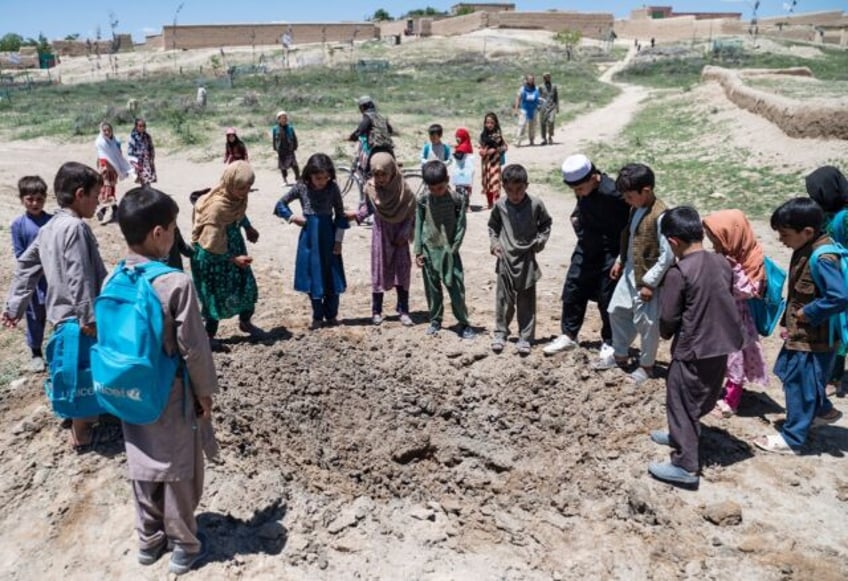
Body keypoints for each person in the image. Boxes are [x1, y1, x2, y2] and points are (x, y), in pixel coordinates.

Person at [111, 187, 218, 575]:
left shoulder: (114, 277)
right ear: (159, 233)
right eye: (173, 228)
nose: (174, 235)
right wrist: (205, 393)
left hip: (128, 391)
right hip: (170, 392)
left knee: (141, 462)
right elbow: (194, 348)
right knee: (178, 469)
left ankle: (148, 541)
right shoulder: (175, 283)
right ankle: (184, 546)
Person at [3, 162, 107, 450]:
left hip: (62, 318)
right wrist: (88, 316)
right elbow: (78, 275)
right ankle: (83, 433)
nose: (99, 200)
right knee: (85, 374)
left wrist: (14, 306)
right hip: (78, 319)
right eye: (96, 194)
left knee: (72, 368)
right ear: (80, 193)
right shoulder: (74, 227)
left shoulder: (49, 228)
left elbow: (26, 267)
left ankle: (77, 417)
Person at [648, 207, 744, 487]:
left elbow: (669, 316)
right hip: (722, 341)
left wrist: (666, 333)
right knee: (704, 391)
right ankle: (681, 433)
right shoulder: (722, 263)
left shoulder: (679, 272)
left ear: (673, 241)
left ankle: (686, 465)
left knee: (680, 398)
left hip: (693, 346)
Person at [753, 198, 847, 454]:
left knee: (799, 383)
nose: (782, 240)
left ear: (806, 232)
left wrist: (809, 312)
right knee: (793, 373)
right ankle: (822, 410)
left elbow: (838, 297)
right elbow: (798, 291)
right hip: (802, 333)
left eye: (785, 234)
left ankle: (792, 439)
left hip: (814, 337)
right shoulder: (808, 246)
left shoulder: (823, 257)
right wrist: (787, 321)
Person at [595, 163, 674, 385]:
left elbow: (667, 257)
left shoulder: (661, 216)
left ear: (646, 191)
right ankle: (620, 354)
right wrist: (621, 260)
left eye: (630, 196)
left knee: (647, 323)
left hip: (648, 279)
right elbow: (631, 237)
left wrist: (650, 283)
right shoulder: (635, 208)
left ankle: (647, 366)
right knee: (617, 310)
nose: (627, 200)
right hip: (630, 271)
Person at [544, 155, 630, 357]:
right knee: (573, 286)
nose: (578, 194)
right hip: (587, 245)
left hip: (611, 249)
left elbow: (631, 220)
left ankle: (611, 341)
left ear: (594, 178)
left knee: (607, 295)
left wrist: (622, 256)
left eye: (580, 189)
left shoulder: (614, 193)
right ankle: (569, 335)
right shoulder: (583, 190)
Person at [702, 210, 769, 417]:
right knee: (721, 357)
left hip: (736, 321)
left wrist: (734, 269)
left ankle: (731, 401)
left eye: (717, 240)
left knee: (735, 359)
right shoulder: (727, 255)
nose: (714, 245)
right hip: (721, 317)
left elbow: (750, 290)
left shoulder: (751, 259)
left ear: (732, 236)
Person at [274, 153, 350, 329]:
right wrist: (293, 217)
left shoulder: (333, 188)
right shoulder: (301, 187)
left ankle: (331, 315)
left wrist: (338, 241)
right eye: (318, 178)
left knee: (332, 275)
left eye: (325, 177)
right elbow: (280, 204)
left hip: (329, 237)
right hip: (309, 240)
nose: (322, 181)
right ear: (309, 175)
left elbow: (340, 215)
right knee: (312, 276)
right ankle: (317, 315)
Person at [190, 161, 262, 346]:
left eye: (249, 187)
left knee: (247, 288)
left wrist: (248, 227)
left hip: (235, 252)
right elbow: (208, 248)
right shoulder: (216, 208)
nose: (245, 191)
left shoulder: (235, 199)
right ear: (230, 183)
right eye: (241, 187)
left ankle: (245, 323)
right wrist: (232, 259)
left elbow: (238, 213)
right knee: (213, 299)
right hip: (213, 259)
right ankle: (208, 338)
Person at [488, 164, 553, 355]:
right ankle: (500, 333)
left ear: (527, 185)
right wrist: (494, 244)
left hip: (526, 260)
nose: (514, 195)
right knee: (503, 299)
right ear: (503, 188)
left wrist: (539, 242)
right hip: (505, 259)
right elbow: (493, 226)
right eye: (509, 190)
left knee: (526, 301)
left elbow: (546, 224)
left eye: (519, 190)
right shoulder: (500, 206)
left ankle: (525, 337)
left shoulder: (535, 204)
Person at [415, 160, 475, 339]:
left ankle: (463, 323)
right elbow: (418, 224)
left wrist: (454, 247)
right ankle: (435, 320)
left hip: (450, 252)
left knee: (456, 288)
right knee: (432, 289)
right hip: (429, 250)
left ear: (448, 180)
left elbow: (461, 226)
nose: (436, 192)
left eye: (440, 188)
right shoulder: (423, 200)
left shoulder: (457, 199)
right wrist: (418, 250)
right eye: (432, 188)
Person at [354, 152, 416, 326]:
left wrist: (405, 233)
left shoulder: (404, 190)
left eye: (384, 174)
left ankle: (403, 310)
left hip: (400, 236)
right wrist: (355, 216)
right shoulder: (371, 188)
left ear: (392, 172)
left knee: (402, 272)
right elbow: (368, 208)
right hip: (381, 234)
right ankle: (376, 310)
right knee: (379, 271)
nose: (380, 179)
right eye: (376, 174)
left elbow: (411, 213)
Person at [805, 165, 848, 396]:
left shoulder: (845, 217)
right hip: (829, 272)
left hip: (842, 274)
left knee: (840, 326)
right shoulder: (827, 213)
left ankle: (834, 378)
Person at [10, 175, 52, 372]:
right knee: (35, 317)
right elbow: (21, 255)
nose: (35, 203)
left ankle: (57, 350)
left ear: (45, 198)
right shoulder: (18, 225)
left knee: (56, 314)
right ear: (22, 199)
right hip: (33, 283)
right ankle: (36, 352)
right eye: (30, 199)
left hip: (52, 279)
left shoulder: (52, 221)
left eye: (39, 199)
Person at [95, 121, 131, 224]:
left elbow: (118, 155)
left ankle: (114, 209)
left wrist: (120, 167)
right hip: (106, 170)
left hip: (113, 170)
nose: (107, 132)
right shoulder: (101, 142)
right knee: (107, 189)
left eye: (108, 130)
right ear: (102, 131)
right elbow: (101, 157)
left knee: (111, 188)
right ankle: (104, 210)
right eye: (104, 130)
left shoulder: (115, 141)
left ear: (112, 131)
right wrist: (104, 167)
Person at [348, 96, 394, 172]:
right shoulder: (380, 116)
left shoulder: (367, 117)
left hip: (375, 148)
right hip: (388, 148)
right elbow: (390, 130)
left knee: (367, 171)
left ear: (362, 107)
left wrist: (352, 137)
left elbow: (360, 131)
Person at [478, 112, 508, 210]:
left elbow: (504, 147)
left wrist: (495, 150)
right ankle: (490, 203)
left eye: (491, 123)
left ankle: (497, 203)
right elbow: (481, 146)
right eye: (487, 122)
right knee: (487, 183)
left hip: (495, 163)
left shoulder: (497, 136)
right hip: (486, 163)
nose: (489, 125)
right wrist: (481, 151)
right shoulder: (483, 135)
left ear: (495, 123)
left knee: (495, 181)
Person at [127, 117, 157, 187]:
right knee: (142, 178)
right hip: (138, 161)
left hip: (147, 161)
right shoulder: (133, 137)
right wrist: (134, 163)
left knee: (148, 178)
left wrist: (152, 158)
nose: (142, 128)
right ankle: (145, 192)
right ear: (136, 126)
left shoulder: (147, 136)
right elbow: (130, 151)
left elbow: (151, 148)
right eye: (140, 126)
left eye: (143, 126)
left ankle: (147, 191)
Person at [272, 111, 300, 184]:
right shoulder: (275, 129)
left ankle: (298, 178)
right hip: (281, 149)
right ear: (278, 119)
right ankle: (285, 180)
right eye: (282, 118)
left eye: (285, 118)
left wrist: (295, 146)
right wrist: (275, 147)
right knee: (282, 166)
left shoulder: (290, 128)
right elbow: (274, 139)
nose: (284, 119)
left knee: (294, 164)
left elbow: (294, 137)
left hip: (289, 149)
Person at [513, 74, 540, 147]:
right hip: (524, 109)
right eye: (530, 79)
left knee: (533, 125)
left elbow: (538, 98)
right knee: (522, 125)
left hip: (533, 109)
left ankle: (532, 140)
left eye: (532, 79)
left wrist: (539, 105)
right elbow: (518, 98)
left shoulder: (536, 89)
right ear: (527, 80)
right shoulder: (522, 89)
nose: (531, 81)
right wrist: (516, 109)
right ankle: (517, 141)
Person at [451, 128, 475, 210]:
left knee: (462, 189)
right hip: (465, 172)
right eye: (456, 137)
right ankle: (466, 206)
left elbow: (459, 156)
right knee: (465, 188)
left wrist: (453, 153)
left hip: (462, 172)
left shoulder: (463, 147)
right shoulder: (467, 145)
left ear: (463, 137)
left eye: (459, 137)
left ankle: (465, 207)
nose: (457, 139)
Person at [538, 72, 560, 145]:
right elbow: (539, 97)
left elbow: (556, 97)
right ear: (543, 78)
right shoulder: (540, 87)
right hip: (543, 107)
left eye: (548, 77)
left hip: (552, 107)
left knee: (551, 121)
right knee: (543, 123)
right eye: (545, 77)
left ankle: (550, 136)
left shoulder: (554, 86)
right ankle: (544, 138)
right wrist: (538, 106)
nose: (547, 78)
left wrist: (557, 107)